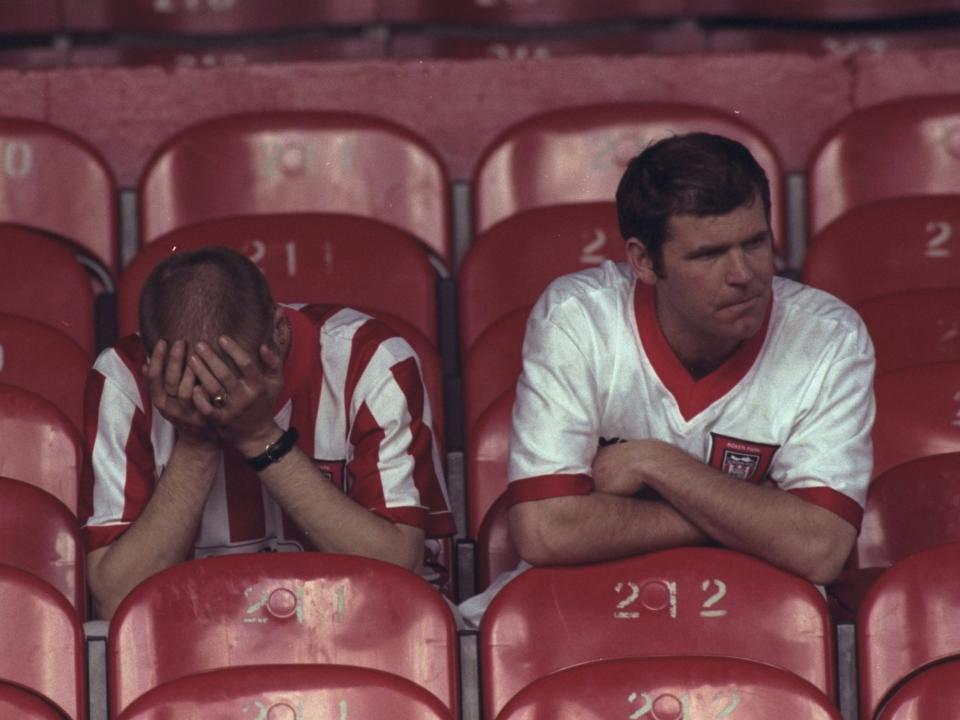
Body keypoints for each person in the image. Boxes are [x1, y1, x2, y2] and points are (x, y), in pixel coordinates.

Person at [460, 132, 874, 625]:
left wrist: (654, 463)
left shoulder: (830, 336)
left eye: (756, 242)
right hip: (578, 615)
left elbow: (820, 549)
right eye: (708, 254)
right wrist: (754, 517)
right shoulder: (577, 317)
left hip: (754, 620)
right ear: (643, 261)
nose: (744, 273)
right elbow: (545, 529)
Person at [81, 246, 455, 619]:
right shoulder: (124, 379)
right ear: (151, 358)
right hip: (198, 640)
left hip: (362, 627)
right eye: (191, 383)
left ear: (277, 332)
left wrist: (260, 437)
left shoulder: (370, 361)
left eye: (233, 375)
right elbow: (117, 600)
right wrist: (196, 444)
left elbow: (397, 576)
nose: (216, 402)